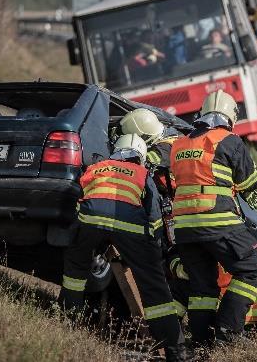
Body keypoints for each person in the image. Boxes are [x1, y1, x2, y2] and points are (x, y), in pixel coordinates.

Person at [59, 134, 185, 361]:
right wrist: (154, 250)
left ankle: (69, 321)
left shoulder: (97, 167)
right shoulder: (142, 173)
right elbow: (154, 215)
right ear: (140, 156)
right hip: (130, 229)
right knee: (154, 287)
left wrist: (79, 232)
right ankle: (175, 351)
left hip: (90, 223)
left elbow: (79, 196)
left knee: (75, 271)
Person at [169, 90, 257, 345]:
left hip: (184, 227)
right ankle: (228, 331)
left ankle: (202, 342)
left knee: (202, 287)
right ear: (230, 116)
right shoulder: (228, 140)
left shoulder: (180, 143)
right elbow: (250, 181)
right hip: (217, 219)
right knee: (252, 269)